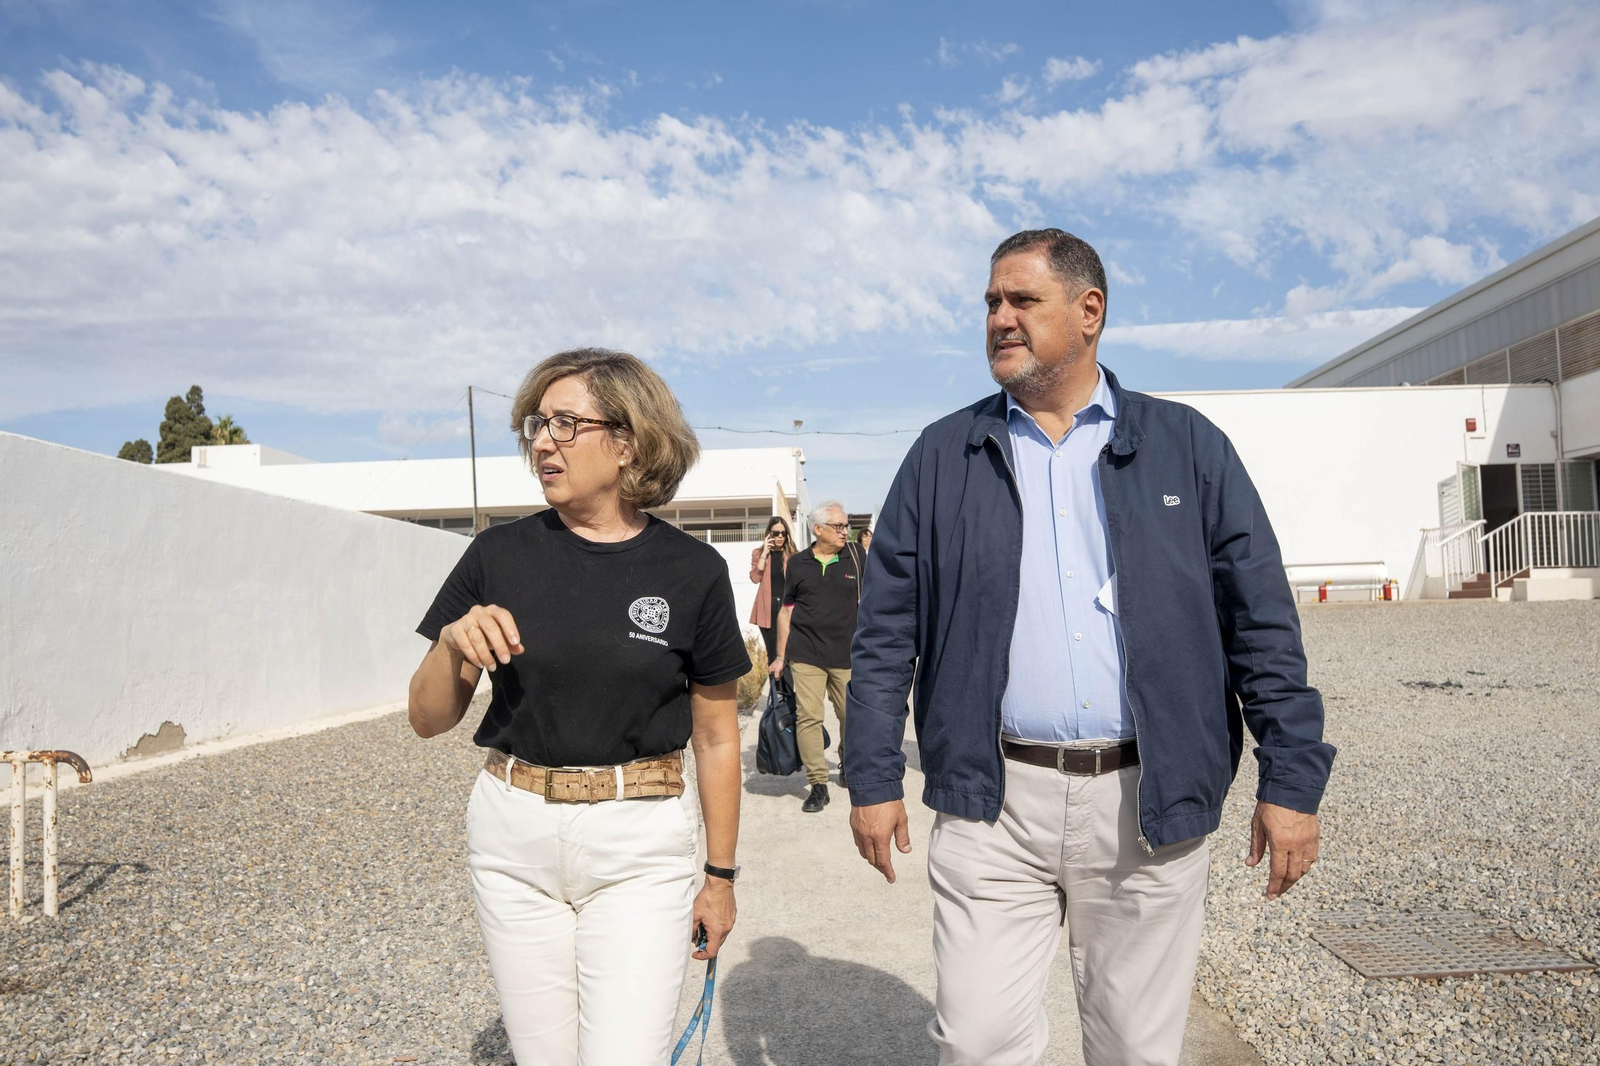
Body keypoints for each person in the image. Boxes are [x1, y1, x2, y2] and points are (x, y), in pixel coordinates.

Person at [844, 229, 1335, 1066]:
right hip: (992, 800)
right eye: (991, 303)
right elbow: (887, 629)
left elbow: (1260, 622)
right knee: (976, 1040)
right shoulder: (940, 456)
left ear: (1089, 312)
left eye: (1021, 300)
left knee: (1135, 1050)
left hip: (1147, 800)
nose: (999, 318)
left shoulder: (1188, 446)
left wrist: (1292, 779)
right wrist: (873, 775)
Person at [407, 347, 751, 1066]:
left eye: (565, 423)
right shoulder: (494, 556)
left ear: (628, 442)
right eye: (535, 423)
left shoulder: (693, 572)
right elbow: (427, 718)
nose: (540, 441)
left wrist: (718, 879)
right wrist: (452, 645)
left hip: (638, 845)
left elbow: (717, 740)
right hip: (512, 840)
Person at [768, 501, 863, 813]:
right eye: (838, 526)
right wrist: (781, 656)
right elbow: (786, 611)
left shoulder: (856, 556)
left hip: (847, 654)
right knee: (809, 717)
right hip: (806, 653)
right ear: (817, 529)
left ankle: (848, 760)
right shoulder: (797, 564)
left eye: (846, 525)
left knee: (851, 716)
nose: (845, 531)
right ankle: (819, 784)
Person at [748, 514, 798, 665]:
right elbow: (755, 578)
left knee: (788, 653)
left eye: (783, 533)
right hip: (767, 608)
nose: (780, 536)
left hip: (788, 607)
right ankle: (775, 689)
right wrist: (764, 554)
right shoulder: (759, 553)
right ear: (769, 534)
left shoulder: (794, 554)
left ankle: (786, 689)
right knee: (773, 655)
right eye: (776, 533)